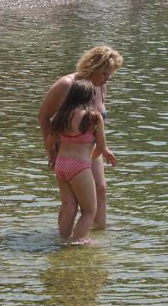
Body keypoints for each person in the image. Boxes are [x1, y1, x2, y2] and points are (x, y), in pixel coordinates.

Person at [39, 46, 123, 233]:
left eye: (110, 74)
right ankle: (70, 240)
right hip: (70, 149)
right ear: (92, 67)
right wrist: (51, 152)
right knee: (72, 202)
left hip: (91, 147)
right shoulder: (66, 84)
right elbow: (44, 115)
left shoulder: (100, 86)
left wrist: (103, 147)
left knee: (100, 189)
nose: (107, 79)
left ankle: (98, 234)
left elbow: (97, 119)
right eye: (104, 74)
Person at [45, 79, 116, 243]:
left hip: (61, 165)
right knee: (89, 210)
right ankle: (77, 242)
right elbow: (101, 147)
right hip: (79, 166)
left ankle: (62, 241)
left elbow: (49, 144)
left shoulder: (60, 116)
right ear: (90, 97)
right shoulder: (94, 117)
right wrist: (85, 160)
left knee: (69, 206)